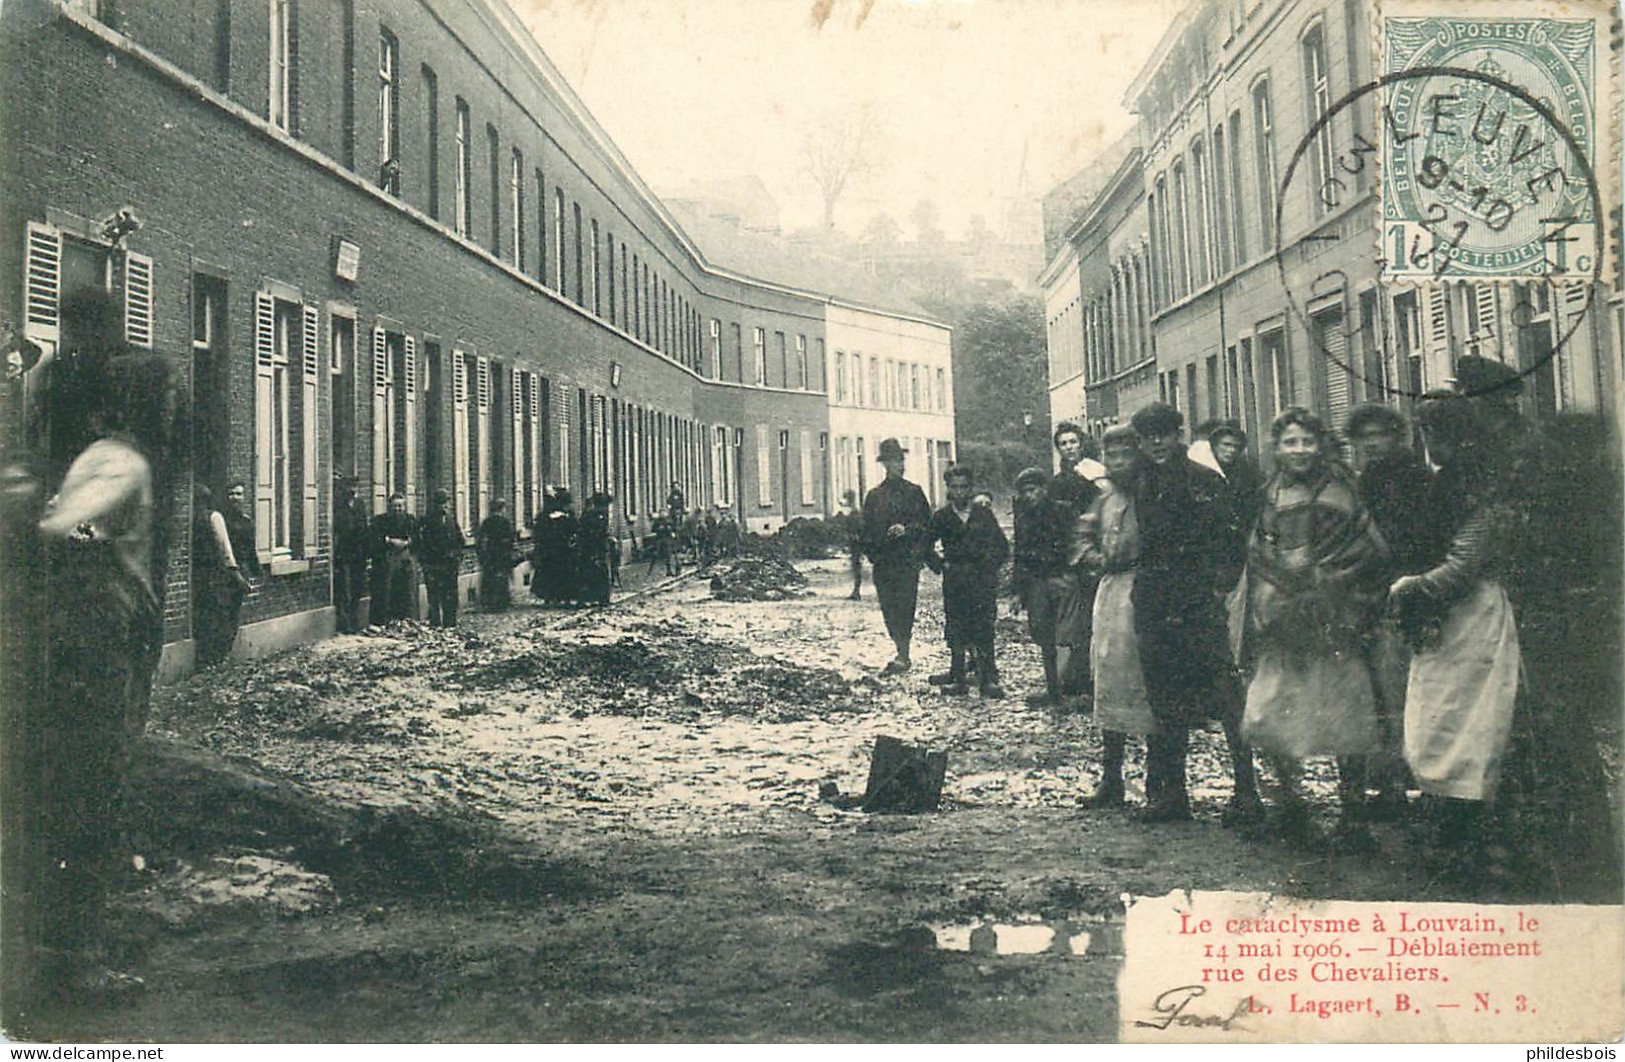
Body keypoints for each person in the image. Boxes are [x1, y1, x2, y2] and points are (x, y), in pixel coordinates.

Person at [35, 351, 181, 998]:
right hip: (99, 642)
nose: (176, 413)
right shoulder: (119, 461)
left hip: (108, 635)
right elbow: (64, 530)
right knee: (91, 790)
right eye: (168, 401)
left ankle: (72, 944)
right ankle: (73, 959)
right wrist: (103, 589)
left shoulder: (117, 458)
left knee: (93, 787)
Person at [1236, 409, 1388, 848]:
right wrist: (1277, 596)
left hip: (1334, 621)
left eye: (1307, 441)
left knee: (1347, 716)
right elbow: (1260, 550)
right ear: (1277, 448)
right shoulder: (1270, 493)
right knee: (1271, 711)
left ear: (1320, 445)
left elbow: (1366, 549)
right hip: (1283, 622)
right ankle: (1290, 805)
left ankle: (1353, 816)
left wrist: (1323, 586)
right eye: (1290, 442)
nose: (1299, 450)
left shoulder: (1341, 490)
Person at [1388, 391, 1523, 886]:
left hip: (1474, 618)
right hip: (1446, 620)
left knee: (1471, 725)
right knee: (1439, 720)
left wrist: (1414, 586)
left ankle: (1475, 845)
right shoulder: (1446, 482)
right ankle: (1453, 837)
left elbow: (1466, 563)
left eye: (1435, 434)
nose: (1429, 443)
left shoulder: (1480, 486)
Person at [1129, 402, 1261, 824]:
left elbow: (1231, 539)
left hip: (1196, 606)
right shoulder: (1140, 481)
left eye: (1164, 434)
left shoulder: (1203, 481)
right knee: (1164, 701)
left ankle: (1246, 793)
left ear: (1178, 435)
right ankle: (1171, 795)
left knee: (1225, 697)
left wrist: (1216, 587)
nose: (1156, 443)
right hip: (1154, 603)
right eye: (1148, 437)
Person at [1345, 402, 1432, 817]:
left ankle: (1406, 783)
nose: (1372, 443)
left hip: (1404, 594)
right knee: (1378, 693)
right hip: (1370, 597)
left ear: (1396, 437)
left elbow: (1415, 541)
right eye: (1364, 437)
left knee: (1398, 691)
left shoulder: (1414, 478)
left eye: (1379, 435)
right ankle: (1390, 785)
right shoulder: (1364, 482)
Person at [1078, 426, 1157, 809]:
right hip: (1110, 595)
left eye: (1126, 454)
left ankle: (1158, 780)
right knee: (1107, 679)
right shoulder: (1103, 499)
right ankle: (1112, 777)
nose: (1119, 462)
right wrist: (1095, 559)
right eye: (1112, 455)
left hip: (1143, 591)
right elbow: (1082, 539)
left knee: (1145, 681)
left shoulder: (1149, 496)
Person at [924, 464, 1009, 698]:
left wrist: (989, 567)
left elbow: (1001, 546)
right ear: (948, 489)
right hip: (956, 579)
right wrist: (940, 565)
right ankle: (959, 679)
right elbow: (924, 545)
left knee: (984, 625)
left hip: (982, 578)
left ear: (970, 488)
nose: (959, 492)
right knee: (956, 627)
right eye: (954, 487)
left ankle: (988, 679)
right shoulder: (942, 516)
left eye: (964, 487)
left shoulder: (983, 514)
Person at [1010, 467, 1087, 714]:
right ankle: (1053, 689)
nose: (1029, 495)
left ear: (1044, 489)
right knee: (1043, 634)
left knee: (1066, 635)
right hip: (1037, 582)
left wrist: (1072, 569)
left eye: (1033, 489)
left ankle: (1065, 691)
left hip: (1062, 577)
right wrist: (1018, 591)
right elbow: (1020, 556)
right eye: (1025, 491)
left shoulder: (1063, 511)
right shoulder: (1023, 519)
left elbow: (1078, 542)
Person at [861, 438, 931, 675]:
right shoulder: (874, 496)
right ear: (885, 464)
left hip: (907, 561)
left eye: (901, 460)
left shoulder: (914, 493)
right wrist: (876, 551)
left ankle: (904, 652)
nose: (899, 465)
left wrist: (908, 530)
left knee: (905, 606)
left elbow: (927, 525)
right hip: (884, 563)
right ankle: (898, 645)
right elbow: (865, 531)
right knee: (889, 608)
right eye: (894, 461)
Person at [1049, 421, 1104, 700]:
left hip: (1091, 547)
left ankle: (1094, 677)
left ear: (1081, 444)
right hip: (1069, 551)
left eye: (1073, 442)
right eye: (1063, 444)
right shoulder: (1058, 481)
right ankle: (1076, 676)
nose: (1069, 448)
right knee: (1075, 618)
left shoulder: (1093, 473)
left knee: (1094, 614)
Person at [191, 483, 254, 667]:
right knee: (223, 616)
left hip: (208, 575)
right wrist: (236, 574)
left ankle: (214, 657)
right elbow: (225, 548)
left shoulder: (194, 518)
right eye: (231, 494)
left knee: (219, 614)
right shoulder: (215, 517)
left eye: (239, 494)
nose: (235, 497)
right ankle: (217, 656)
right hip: (222, 574)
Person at [369, 492, 418, 625]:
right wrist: (391, 541)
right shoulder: (380, 521)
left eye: (400, 506)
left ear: (404, 507)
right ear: (389, 507)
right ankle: (382, 622)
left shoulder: (410, 520)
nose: (398, 509)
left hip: (405, 559)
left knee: (406, 590)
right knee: (385, 590)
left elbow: (417, 538)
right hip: (386, 559)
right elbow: (375, 539)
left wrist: (407, 543)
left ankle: (404, 620)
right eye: (395, 507)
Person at [417, 488, 463, 627]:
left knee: (451, 596)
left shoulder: (450, 520)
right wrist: (426, 562)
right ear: (434, 505)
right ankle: (435, 624)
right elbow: (422, 544)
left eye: (445, 503)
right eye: (440, 503)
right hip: (434, 565)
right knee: (434, 597)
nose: (444, 506)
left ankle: (450, 623)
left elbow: (459, 540)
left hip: (450, 565)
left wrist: (456, 555)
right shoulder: (426, 522)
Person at [332, 479, 369, 634]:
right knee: (344, 588)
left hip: (358, 552)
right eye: (349, 487)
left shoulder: (360, 504)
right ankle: (344, 622)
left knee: (357, 588)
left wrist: (366, 552)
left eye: (354, 487)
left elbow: (364, 526)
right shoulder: (337, 505)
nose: (352, 490)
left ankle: (354, 620)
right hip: (344, 552)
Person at [530, 486, 577, 605]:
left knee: (551, 572)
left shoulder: (545, 516)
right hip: (561, 550)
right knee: (561, 573)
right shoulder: (565, 516)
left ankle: (551, 597)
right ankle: (561, 597)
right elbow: (575, 529)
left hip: (551, 550)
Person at [476, 496, 517, 610]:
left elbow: (481, 539)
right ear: (502, 509)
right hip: (502, 555)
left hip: (490, 556)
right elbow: (511, 539)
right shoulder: (505, 522)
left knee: (489, 578)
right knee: (502, 579)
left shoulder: (486, 522)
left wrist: (483, 555)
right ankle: (501, 602)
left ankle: (489, 601)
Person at [577, 492, 614, 605]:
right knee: (600, 573)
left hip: (588, 548)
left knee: (587, 573)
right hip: (596, 548)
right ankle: (602, 599)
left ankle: (586, 599)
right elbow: (598, 533)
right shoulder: (600, 515)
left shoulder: (587, 514)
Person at [837, 489, 864, 599]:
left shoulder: (854, 514)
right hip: (855, 542)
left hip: (856, 543)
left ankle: (856, 592)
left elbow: (857, 530)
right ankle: (856, 591)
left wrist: (853, 537)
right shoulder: (854, 512)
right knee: (856, 566)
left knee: (856, 566)